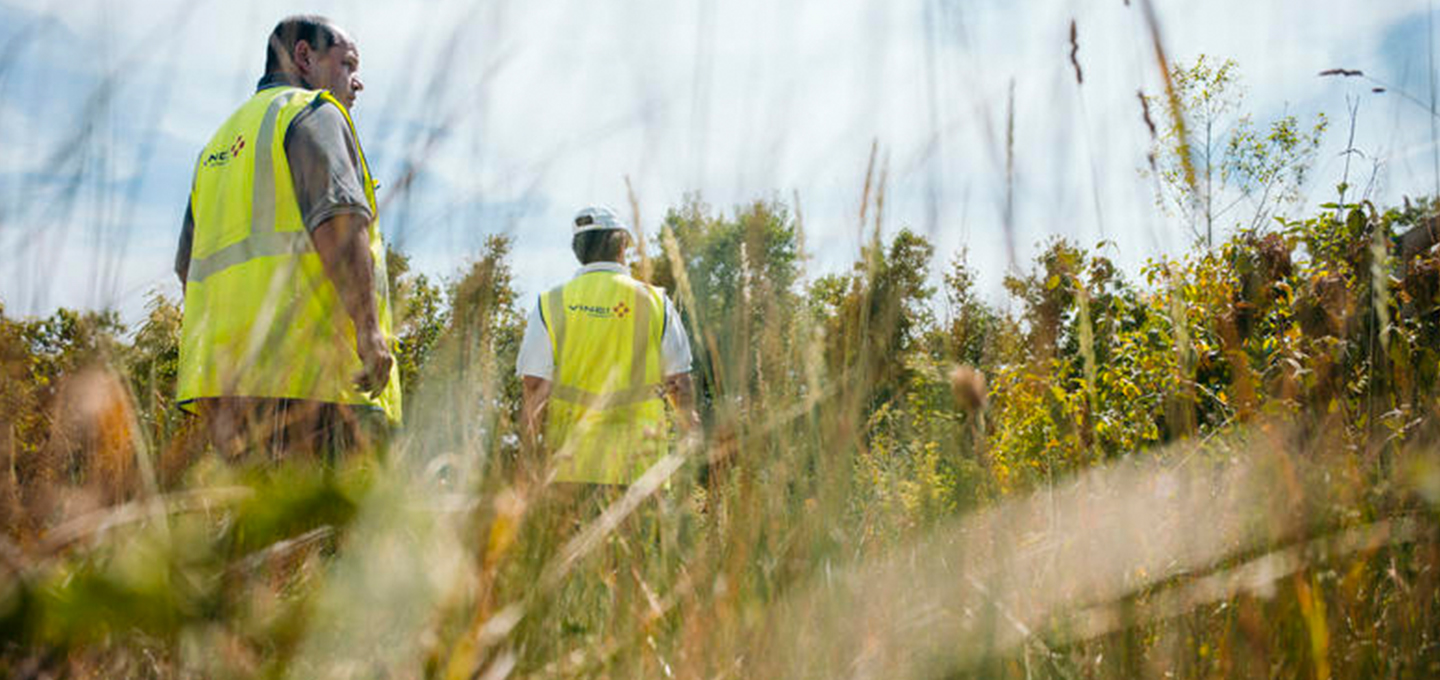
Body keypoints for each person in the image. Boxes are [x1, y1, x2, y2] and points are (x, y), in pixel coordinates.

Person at [172, 15, 400, 462]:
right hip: (317, 387)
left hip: (227, 391)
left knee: (256, 528)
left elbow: (187, 266)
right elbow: (338, 221)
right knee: (339, 529)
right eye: (348, 64)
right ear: (304, 56)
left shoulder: (216, 145)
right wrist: (370, 331)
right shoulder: (311, 112)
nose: (357, 83)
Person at [516, 206, 700, 485]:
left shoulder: (550, 302)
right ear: (622, 244)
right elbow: (679, 381)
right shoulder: (655, 302)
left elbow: (533, 385)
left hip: (568, 469)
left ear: (578, 250)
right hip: (641, 469)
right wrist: (691, 428)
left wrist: (527, 457)